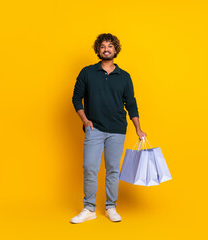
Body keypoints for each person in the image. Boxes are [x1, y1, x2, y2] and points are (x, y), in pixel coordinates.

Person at [71, 33, 147, 223]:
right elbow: (76, 98)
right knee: (90, 167)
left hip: (117, 130)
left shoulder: (125, 76)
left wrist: (138, 128)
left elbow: (131, 103)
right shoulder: (87, 72)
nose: (106, 49)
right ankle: (89, 208)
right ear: (98, 50)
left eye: (110, 46)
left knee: (112, 169)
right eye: (103, 46)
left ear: (115, 50)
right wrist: (86, 121)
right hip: (94, 128)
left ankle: (111, 207)